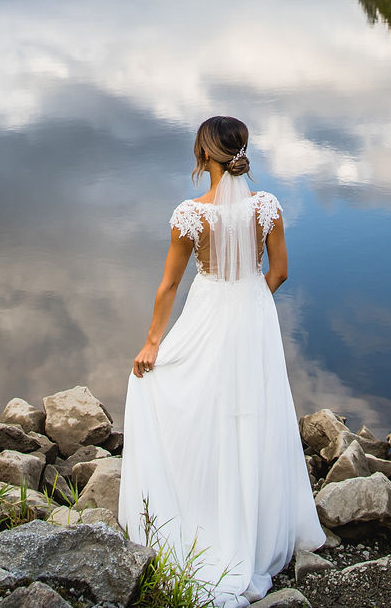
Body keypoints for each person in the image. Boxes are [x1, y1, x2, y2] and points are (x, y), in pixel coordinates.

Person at [118, 116, 323, 608]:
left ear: (203, 155)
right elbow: (281, 272)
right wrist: (252, 300)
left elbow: (168, 286)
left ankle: (203, 506)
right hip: (254, 315)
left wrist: (151, 344)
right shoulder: (267, 206)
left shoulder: (190, 215)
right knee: (253, 411)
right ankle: (256, 523)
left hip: (208, 313)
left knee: (183, 395)